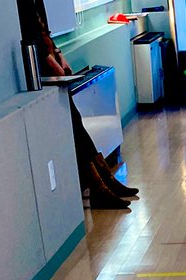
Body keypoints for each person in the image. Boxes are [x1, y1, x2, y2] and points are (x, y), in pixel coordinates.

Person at [21, 0, 138, 209]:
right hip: (36, 69)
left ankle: (105, 183)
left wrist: (58, 54)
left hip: (48, 61)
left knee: (77, 124)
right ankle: (99, 188)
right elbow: (30, 34)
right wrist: (51, 60)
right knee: (74, 129)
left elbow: (44, 31)